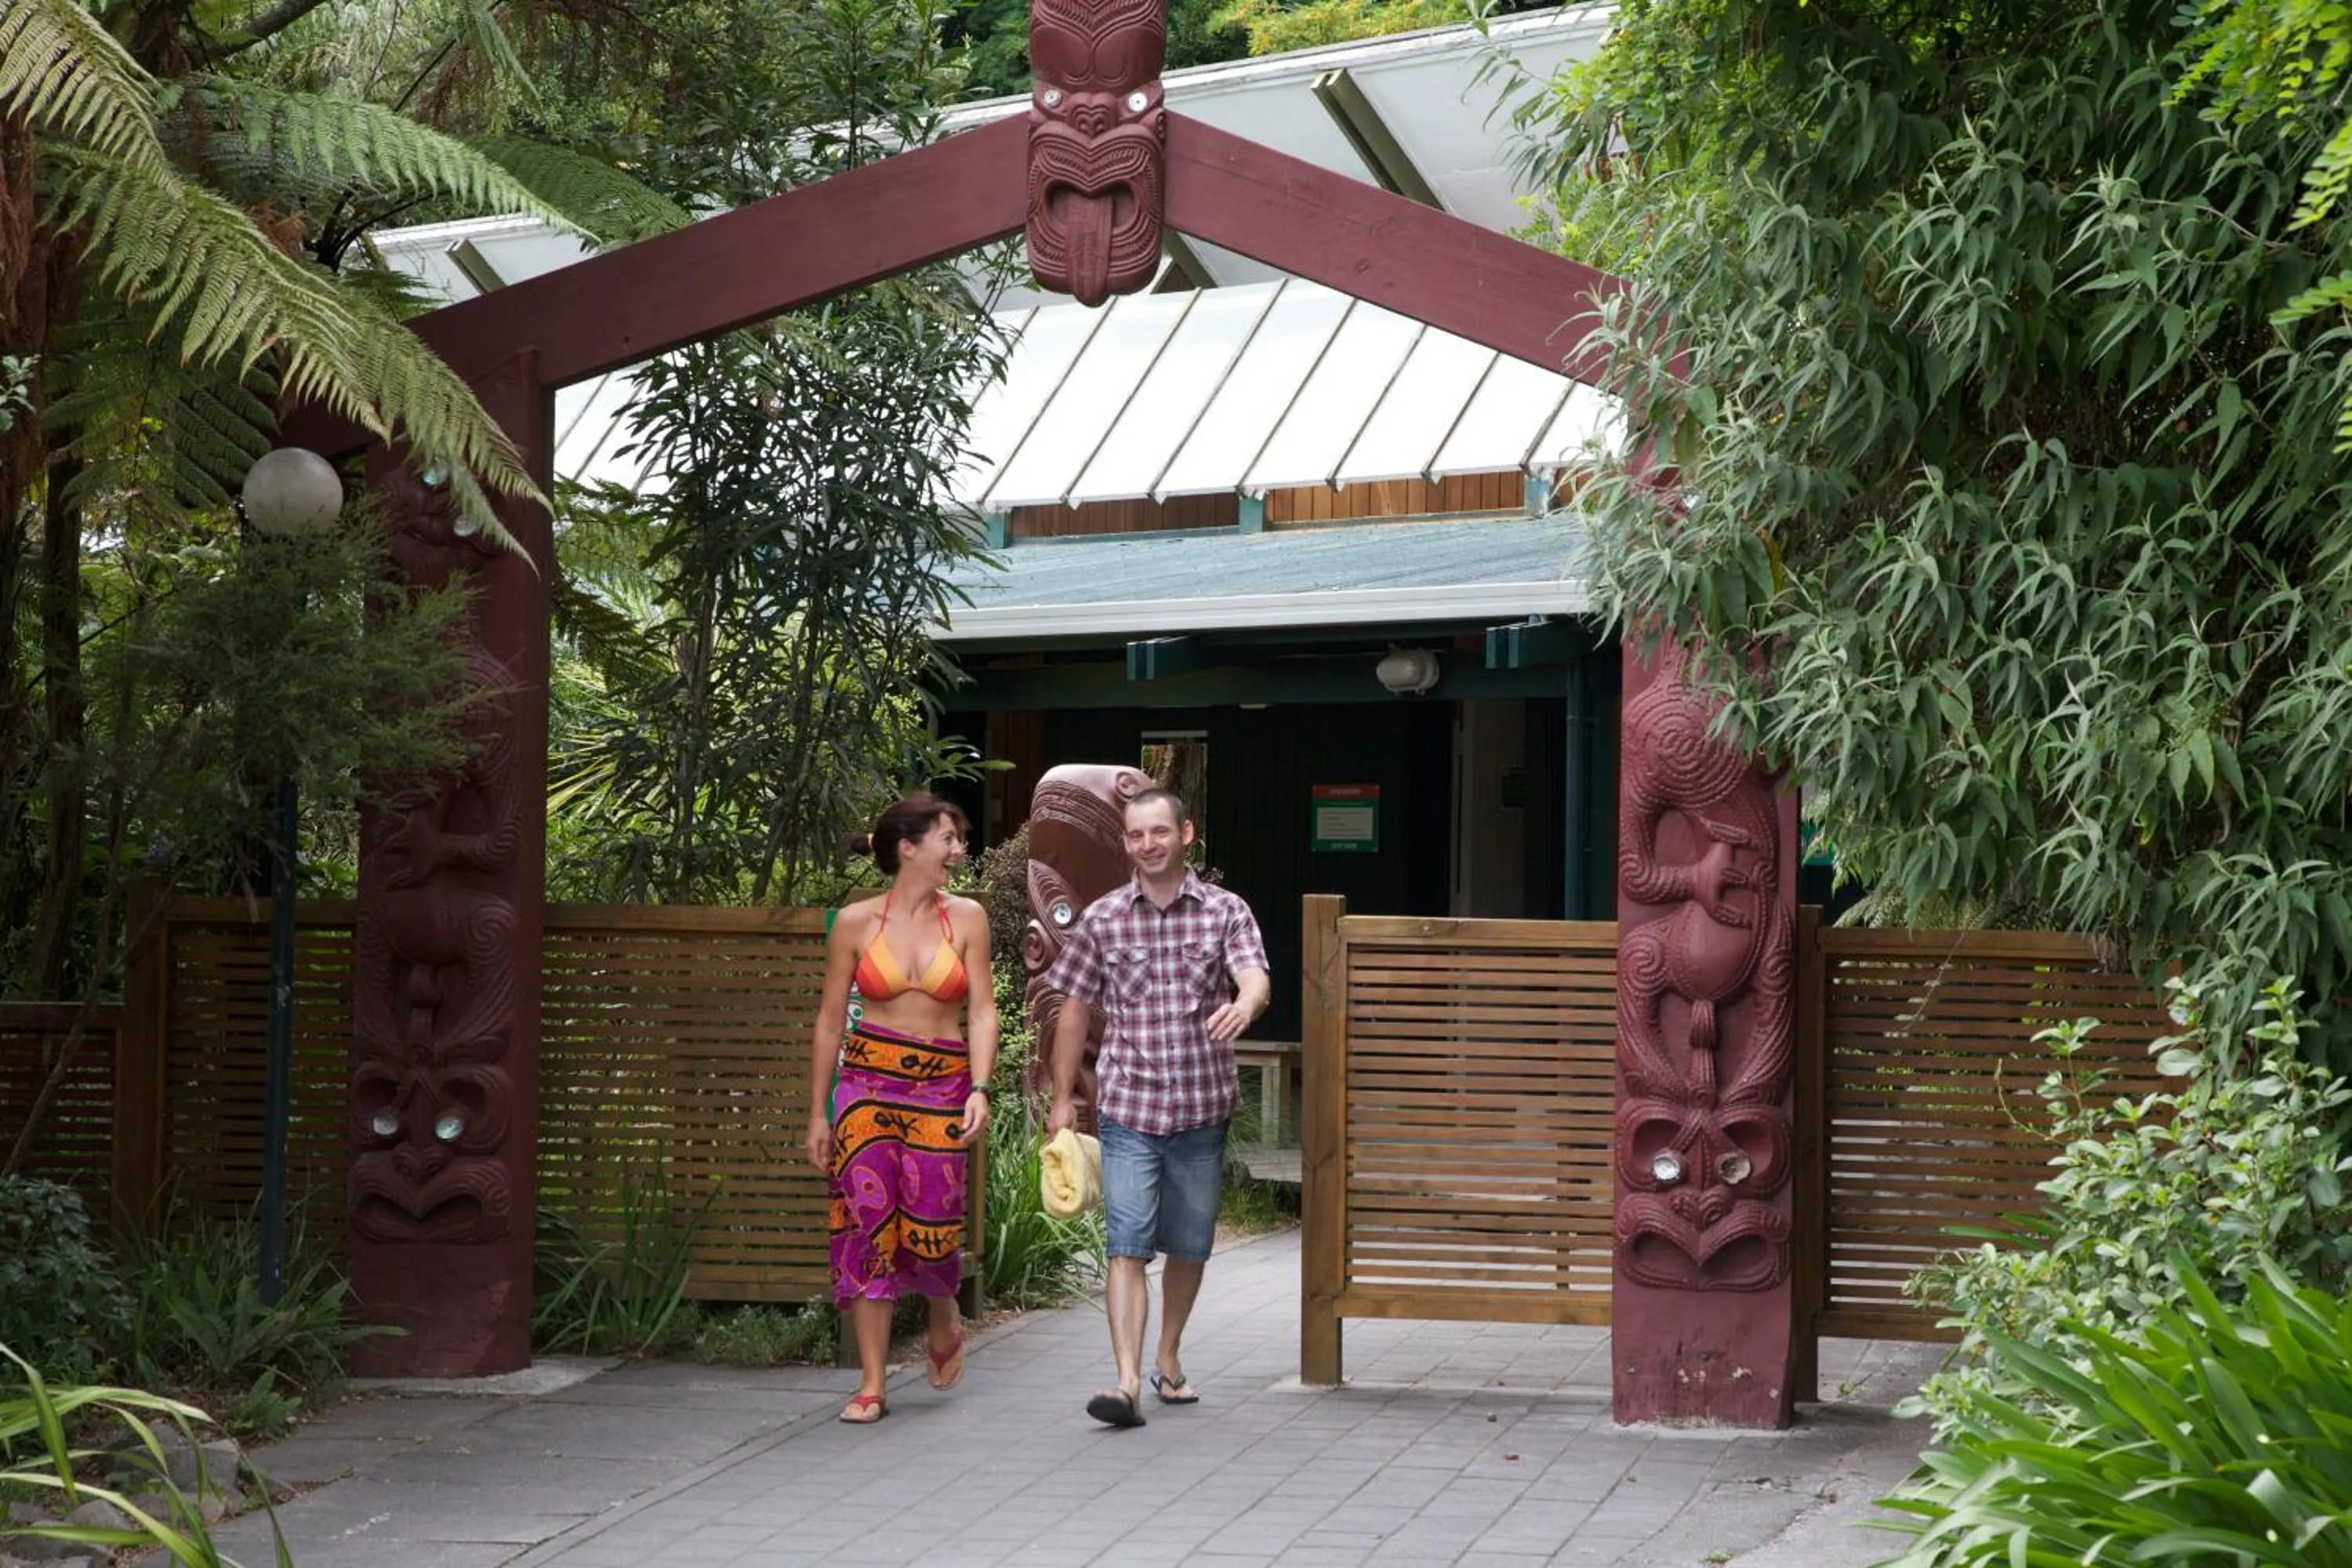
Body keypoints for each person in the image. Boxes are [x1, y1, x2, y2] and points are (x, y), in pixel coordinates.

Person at [1044, 786, 1270, 1428]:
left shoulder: (1225, 911)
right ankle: (1124, 1383)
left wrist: (1245, 1005)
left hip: (1202, 1106)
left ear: (1185, 834)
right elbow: (1075, 1008)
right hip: (1128, 1107)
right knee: (1128, 1244)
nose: (1148, 844)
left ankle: (1167, 1356)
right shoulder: (1105, 918)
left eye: (1159, 833)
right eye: (1137, 835)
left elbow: (1254, 975)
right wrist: (1063, 1099)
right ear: (1126, 844)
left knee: (1190, 1247)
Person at [806, 794, 996, 1425]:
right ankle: (870, 1382)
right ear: (908, 848)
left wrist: (980, 1087)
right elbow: (831, 1021)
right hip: (865, 1086)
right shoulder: (857, 923)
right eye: (948, 838)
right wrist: (818, 1113)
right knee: (865, 1226)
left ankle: (943, 1306)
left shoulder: (967, 918)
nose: (958, 850)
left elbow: (981, 1011)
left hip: (941, 1086)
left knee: (933, 1225)